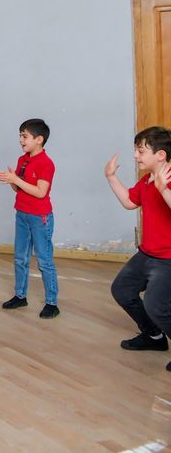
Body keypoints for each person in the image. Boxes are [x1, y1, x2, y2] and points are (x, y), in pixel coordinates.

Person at [107, 126, 171, 369]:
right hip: (147, 254)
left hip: (168, 259)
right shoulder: (147, 180)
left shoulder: (168, 179)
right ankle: (154, 336)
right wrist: (111, 177)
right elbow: (129, 202)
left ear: (161, 155)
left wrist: (163, 189)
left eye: (141, 151)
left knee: (156, 306)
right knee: (122, 290)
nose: (135, 155)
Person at [0, 118, 59, 318]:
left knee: (44, 260)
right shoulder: (22, 159)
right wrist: (11, 180)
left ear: (39, 139)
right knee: (20, 257)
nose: (21, 140)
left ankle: (52, 303)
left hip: (40, 218)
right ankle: (20, 295)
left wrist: (16, 179)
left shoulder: (46, 163)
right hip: (22, 214)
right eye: (20, 136)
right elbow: (19, 188)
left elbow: (40, 192)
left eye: (25, 136)